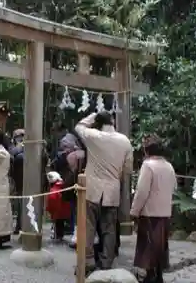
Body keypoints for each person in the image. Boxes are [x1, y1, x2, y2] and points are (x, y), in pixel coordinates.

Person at [74, 111, 133, 275]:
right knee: (109, 228)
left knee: (88, 226)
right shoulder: (125, 141)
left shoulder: (94, 136)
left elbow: (79, 126)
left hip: (92, 188)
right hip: (112, 190)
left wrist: (94, 114)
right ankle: (106, 262)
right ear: (113, 122)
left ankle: (87, 261)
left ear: (98, 123)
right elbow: (127, 169)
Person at [130, 134, 176, 283]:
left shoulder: (148, 165)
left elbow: (142, 192)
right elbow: (173, 188)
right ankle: (158, 276)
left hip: (150, 213)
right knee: (159, 247)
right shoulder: (169, 166)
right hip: (164, 213)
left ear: (146, 151)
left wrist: (134, 211)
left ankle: (150, 277)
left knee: (148, 247)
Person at [46, 171, 71, 241]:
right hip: (63, 210)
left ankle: (57, 236)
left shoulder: (53, 190)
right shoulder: (63, 185)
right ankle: (60, 235)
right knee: (61, 223)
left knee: (57, 224)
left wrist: (49, 209)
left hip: (57, 211)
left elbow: (51, 202)